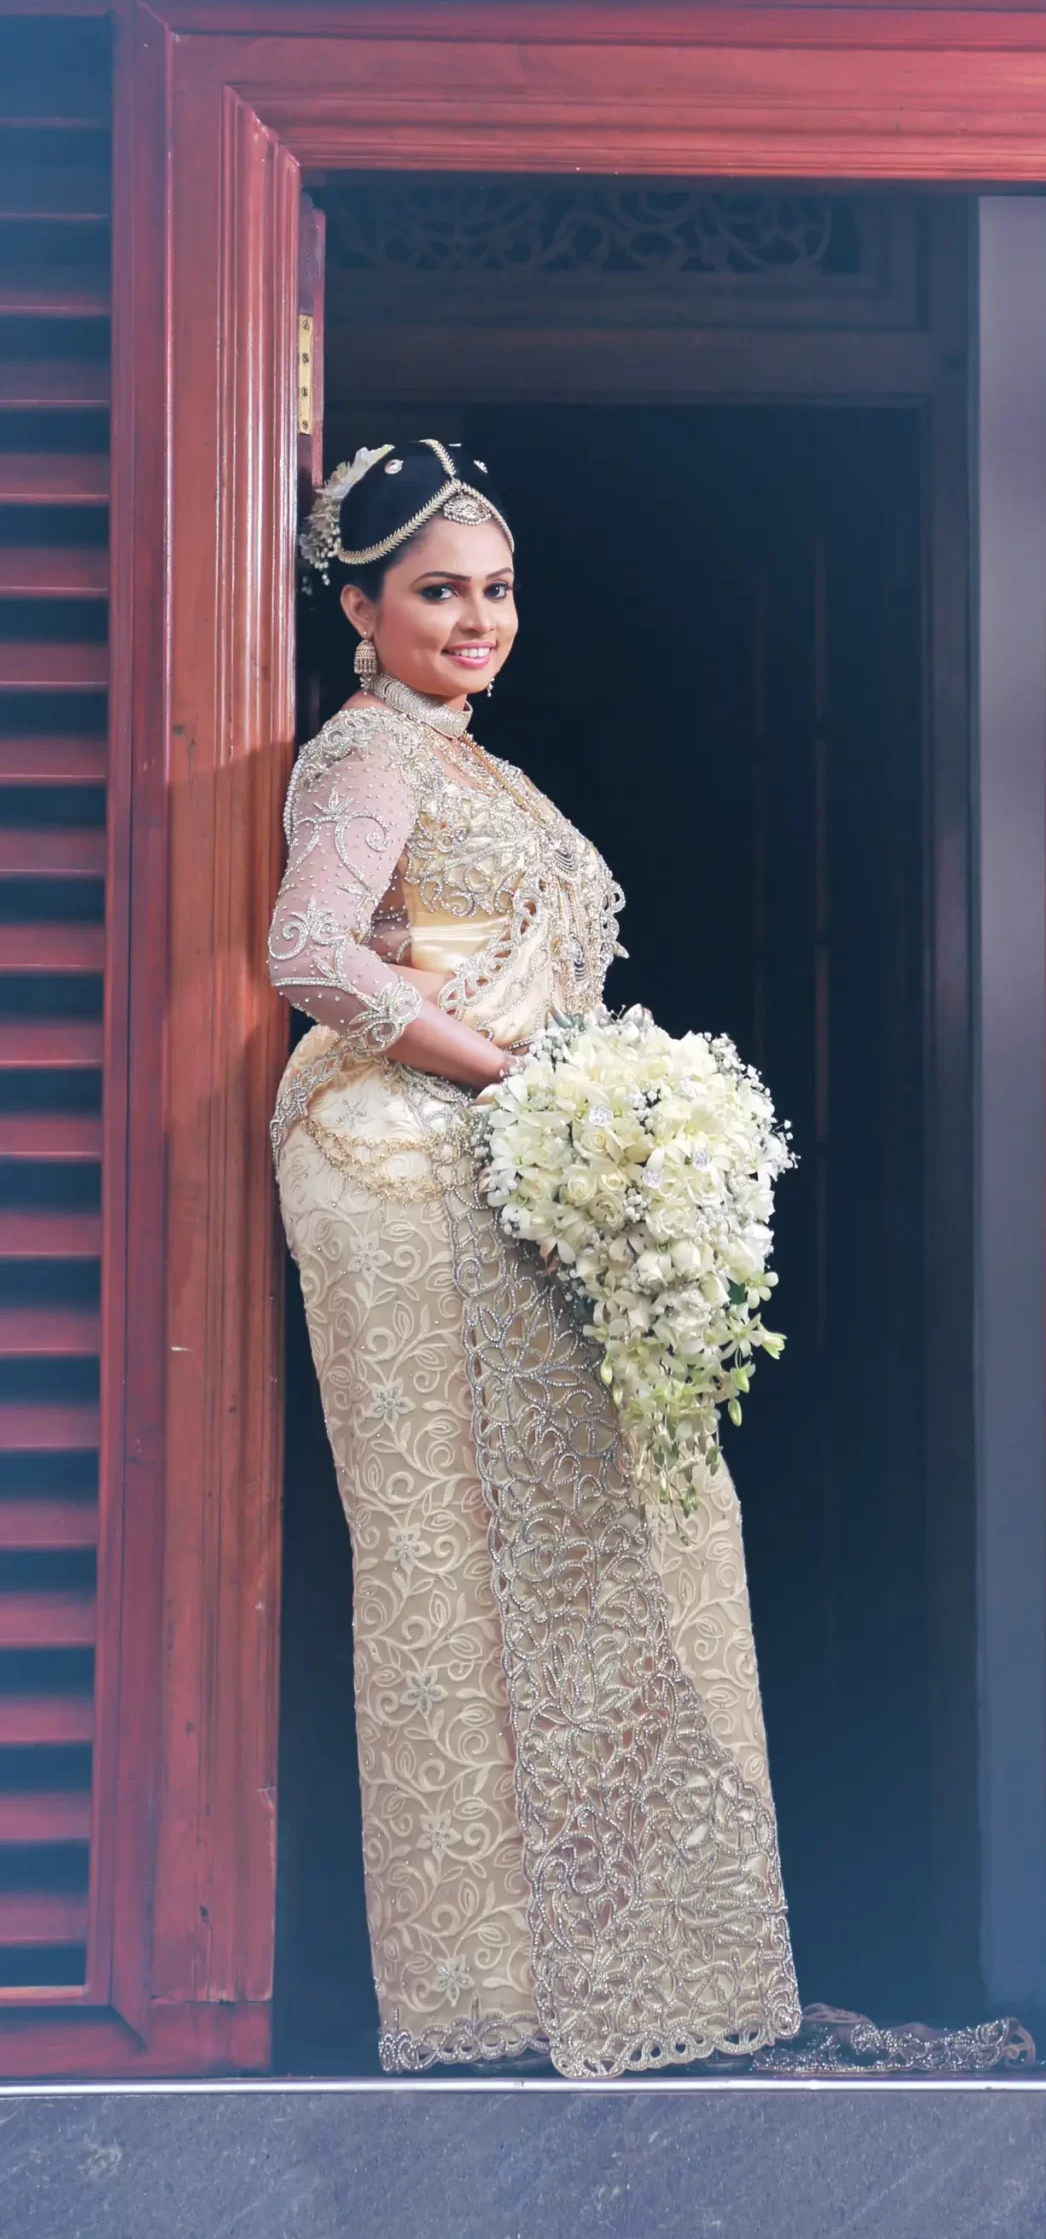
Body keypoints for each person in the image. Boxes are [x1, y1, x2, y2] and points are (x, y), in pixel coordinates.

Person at [268, 436, 802, 2080]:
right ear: (360, 606)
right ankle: (487, 1987)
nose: (477, 618)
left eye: (494, 590)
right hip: (404, 1166)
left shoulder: (467, 760)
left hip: (493, 1159)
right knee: (452, 1563)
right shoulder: (367, 757)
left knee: (605, 1527)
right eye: (438, 590)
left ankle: (617, 1956)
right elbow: (303, 952)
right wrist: (525, 1084)